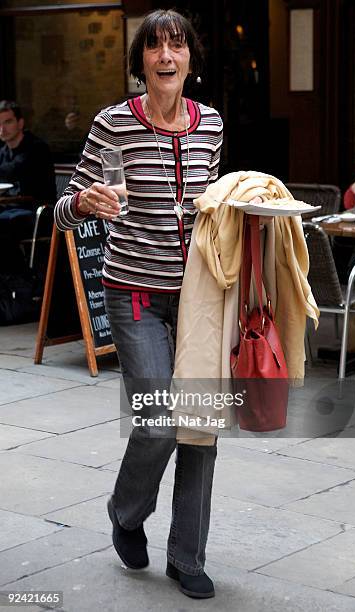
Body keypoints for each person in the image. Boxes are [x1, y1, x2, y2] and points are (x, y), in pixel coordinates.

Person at [55, 9, 264, 599]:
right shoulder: (112, 124)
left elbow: (216, 205)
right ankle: (126, 511)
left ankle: (186, 557)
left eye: (176, 46)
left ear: (190, 59)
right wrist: (86, 205)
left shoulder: (211, 124)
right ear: (141, 62)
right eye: (154, 48)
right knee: (160, 420)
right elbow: (63, 210)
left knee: (200, 425)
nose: (166, 56)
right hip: (135, 294)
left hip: (201, 295)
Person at [0, 100, 56, 271]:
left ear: (20, 123)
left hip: (36, 211)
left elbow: (33, 188)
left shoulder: (36, 149)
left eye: (8, 122)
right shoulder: (2, 153)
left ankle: (18, 279)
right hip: (9, 208)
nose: (2, 128)